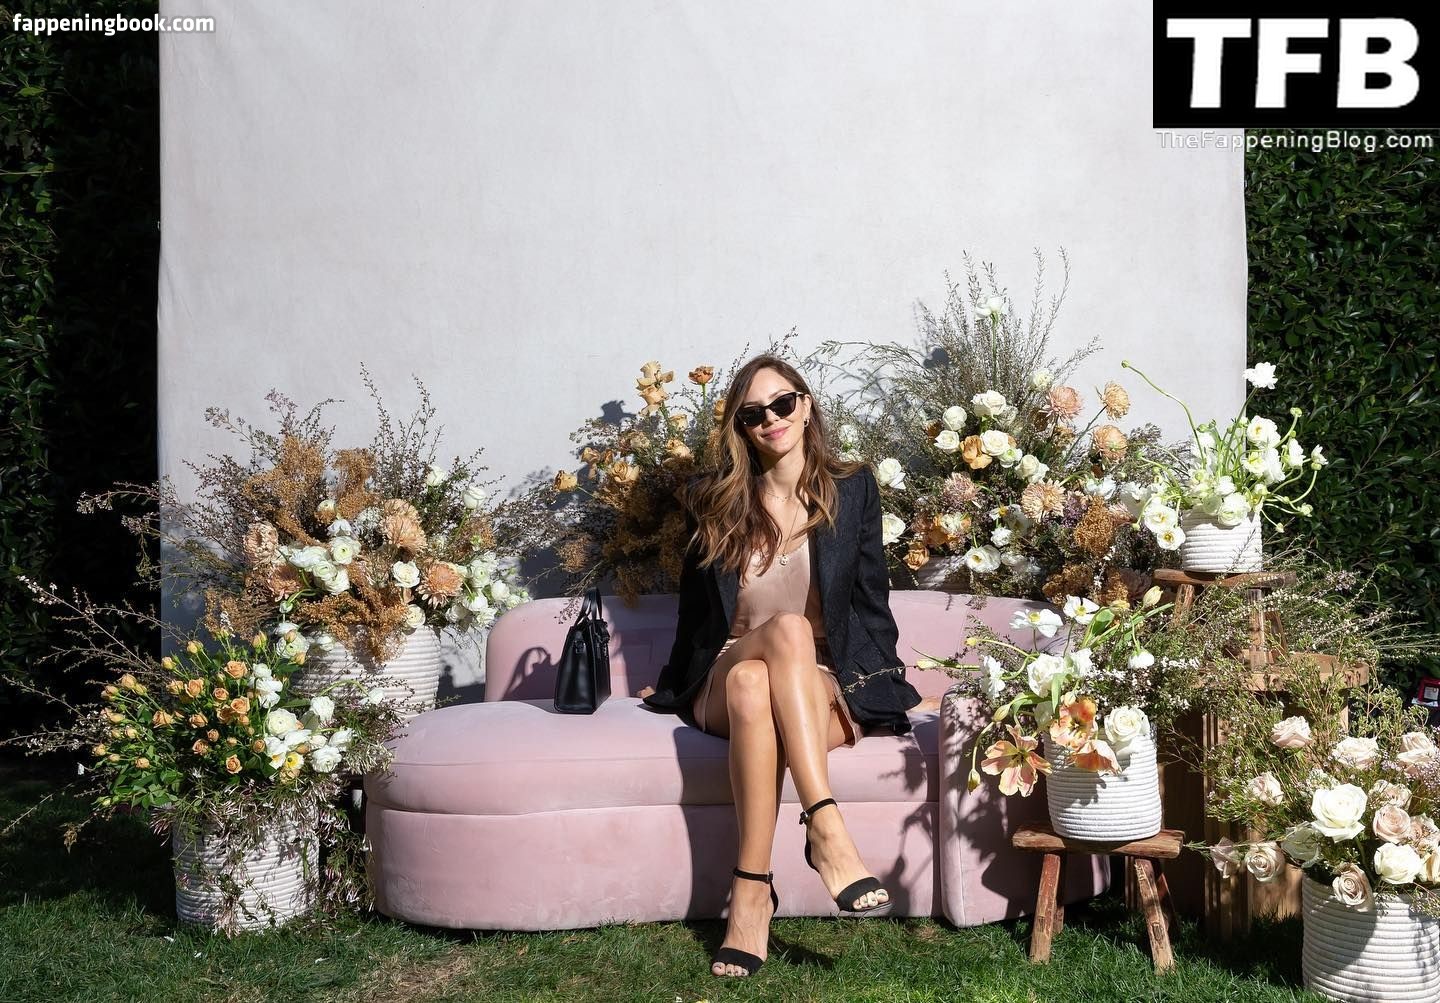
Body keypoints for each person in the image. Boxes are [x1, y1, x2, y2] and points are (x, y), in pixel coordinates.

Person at [639, 354, 922, 978]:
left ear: (806, 405)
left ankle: (750, 894)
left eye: (783, 403)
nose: (771, 419)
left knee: (756, 684)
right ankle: (825, 825)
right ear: (741, 428)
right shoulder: (712, 501)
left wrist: (889, 685)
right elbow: (696, 614)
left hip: (811, 679)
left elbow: (872, 602)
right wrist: (671, 683)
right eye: (752, 414)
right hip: (726, 662)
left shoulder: (853, 490)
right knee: (772, 643)